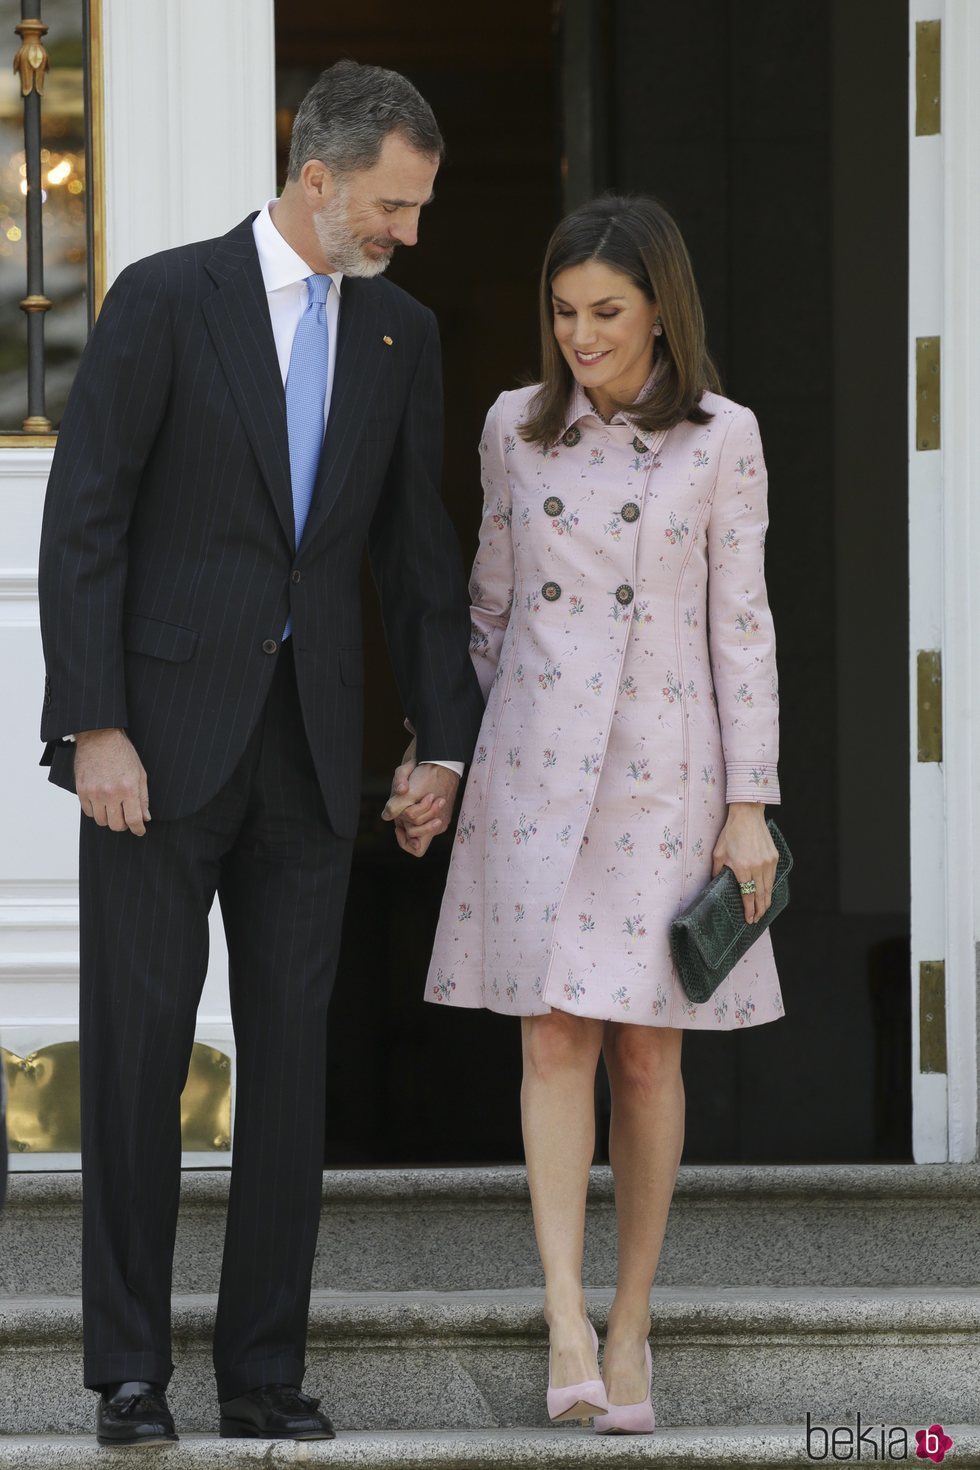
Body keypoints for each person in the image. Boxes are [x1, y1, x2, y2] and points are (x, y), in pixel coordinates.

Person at [37, 60, 482, 1446]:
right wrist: (91, 721)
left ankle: (261, 1371)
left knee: (293, 1069)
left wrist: (443, 737)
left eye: (418, 208)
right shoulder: (168, 299)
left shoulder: (401, 334)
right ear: (318, 177)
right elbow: (87, 516)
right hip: (154, 755)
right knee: (135, 1056)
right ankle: (127, 1370)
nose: (409, 232)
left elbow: (418, 557)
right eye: (394, 204)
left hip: (310, 759)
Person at [408, 195, 784, 1433]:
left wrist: (750, 807)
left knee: (645, 1047)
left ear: (660, 307)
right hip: (532, 767)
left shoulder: (721, 437)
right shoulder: (512, 433)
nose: (580, 335)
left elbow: (742, 624)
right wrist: (444, 762)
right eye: (564, 312)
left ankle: (629, 1323)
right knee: (552, 1036)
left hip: (667, 772)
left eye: (606, 312)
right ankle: (563, 1313)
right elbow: (486, 610)